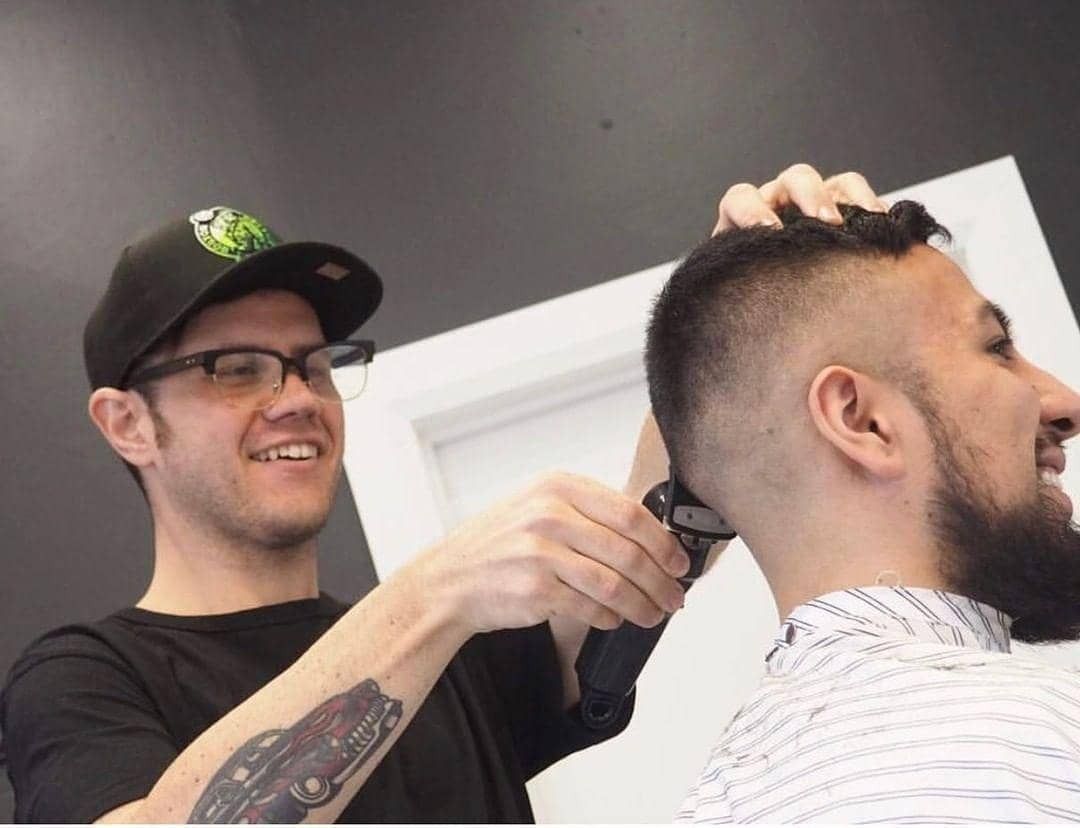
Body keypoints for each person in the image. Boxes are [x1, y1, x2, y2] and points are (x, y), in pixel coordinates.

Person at [0, 165, 883, 823]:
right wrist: (434, 593)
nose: (299, 397)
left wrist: (727, 313)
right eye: (235, 370)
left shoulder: (459, 659)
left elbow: (654, 537)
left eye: (314, 364)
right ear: (127, 424)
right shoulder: (82, 680)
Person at [645, 199, 1080, 822]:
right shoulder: (1044, 748)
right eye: (995, 347)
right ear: (862, 420)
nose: (1066, 403)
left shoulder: (718, 803)